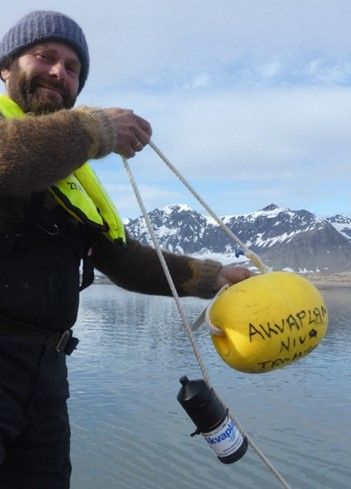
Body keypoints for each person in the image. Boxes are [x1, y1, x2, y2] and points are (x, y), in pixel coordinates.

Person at [0, 10, 251, 489]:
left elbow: (123, 260)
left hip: (45, 374)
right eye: (45, 56)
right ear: (6, 67)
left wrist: (213, 278)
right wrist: (94, 130)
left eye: (73, 68)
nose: (59, 71)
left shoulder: (72, 177)